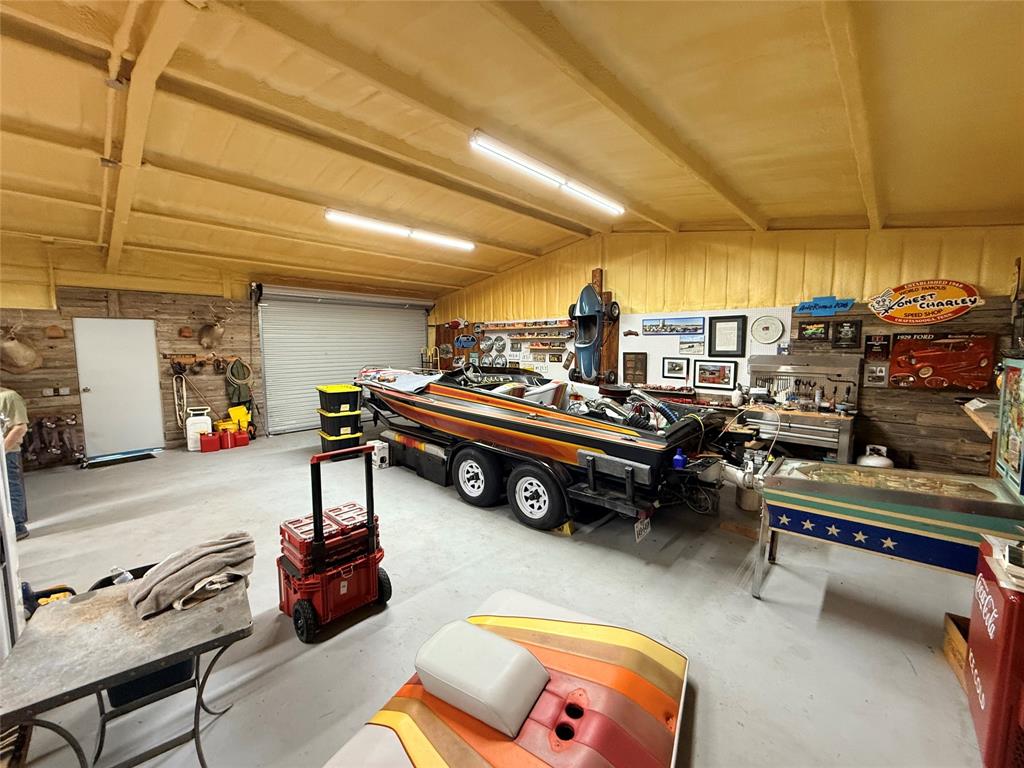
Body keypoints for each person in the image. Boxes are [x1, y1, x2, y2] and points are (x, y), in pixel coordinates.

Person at [0, 387, 29, 540]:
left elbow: (20, 427)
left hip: (8, 453)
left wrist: (1, 450)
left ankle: (17, 527)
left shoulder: (9, 397)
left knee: (11, 488)